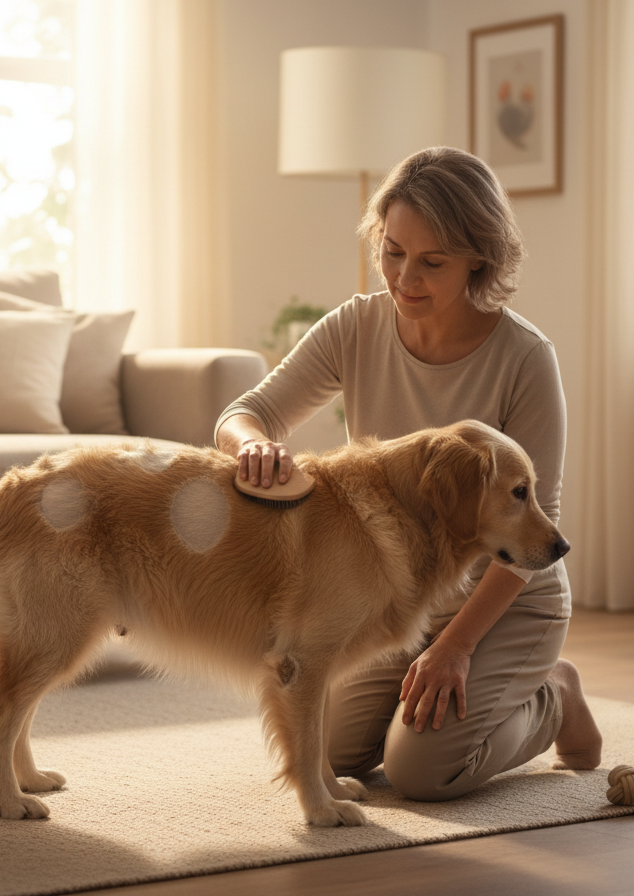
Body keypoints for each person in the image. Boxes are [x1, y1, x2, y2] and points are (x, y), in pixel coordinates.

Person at [214, 146, 602, 802]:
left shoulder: (525, 357)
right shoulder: (356, 326)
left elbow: (539, 525)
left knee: (423, 771)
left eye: (432, 262)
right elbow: (244, 413)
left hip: (506, 602)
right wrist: (252, 447)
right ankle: (421, 696)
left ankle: (555, 696)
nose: (404, 277)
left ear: (478, 256)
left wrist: (455, 646)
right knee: (325, 753)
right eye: (393, 252)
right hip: (394, 601)